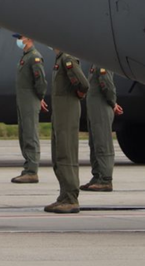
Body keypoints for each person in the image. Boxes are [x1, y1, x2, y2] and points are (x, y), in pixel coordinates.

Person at [46, 49, 88, 214]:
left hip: (67, 111)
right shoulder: (60, 59)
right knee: (58, 154)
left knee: (66, 153)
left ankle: (71, 199)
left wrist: (80, 94)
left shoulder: (67, 57)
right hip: (60, 112)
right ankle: (64, 196)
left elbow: (83, 84)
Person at [11, 33, 48, 184]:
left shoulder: (34, 57)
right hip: (23, 101)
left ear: (29, 38)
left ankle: (32, 171)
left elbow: (40, 81)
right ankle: (28, 167)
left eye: (20, 37)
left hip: (30, 101)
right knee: (24, 134)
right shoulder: (26, 56)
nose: (18, 40)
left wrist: (39, 97)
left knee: (30, 134)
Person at [81, 64, 123, 193]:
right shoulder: (95, 63)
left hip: (101, 108)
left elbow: (107, 85)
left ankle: (105, 179)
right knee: (94, 143)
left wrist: (113, 102)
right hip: (94, 109)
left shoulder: (103, 63)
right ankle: (97, 176)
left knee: (103, 143)